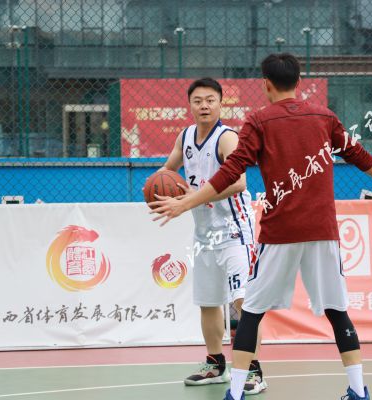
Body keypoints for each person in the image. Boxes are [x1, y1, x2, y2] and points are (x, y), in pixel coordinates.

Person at [150, 54, 372, 400]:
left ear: (266, 84)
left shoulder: (258, 121)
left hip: (279, 234)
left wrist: (186, 202)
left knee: (251, 312)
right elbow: (360, 156)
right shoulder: (325, 117)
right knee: (337, 311)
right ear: (298, 82)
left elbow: (230, 172)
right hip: (322, 231)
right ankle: (358, 390)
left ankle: (235, 393)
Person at [159, 77, 266, 395]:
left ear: (220, 104)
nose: (204, 105)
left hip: (235, 232)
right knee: (207, 303)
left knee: (243, 303)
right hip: (204, 235)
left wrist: (192, 197)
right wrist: (158, 187)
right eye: (198, 101)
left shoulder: (227, 138)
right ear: (190, 105)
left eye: (210, 100)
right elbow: (167, 172)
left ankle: (253, 370)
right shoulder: (185, 137)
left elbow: (239, 182)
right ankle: (216, 363)